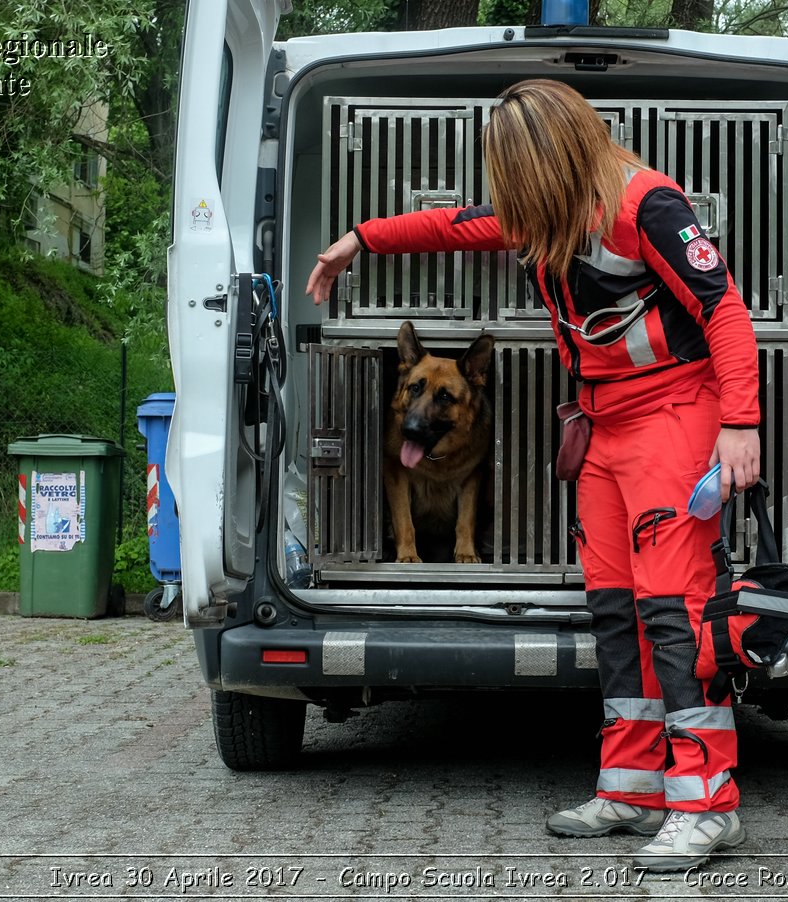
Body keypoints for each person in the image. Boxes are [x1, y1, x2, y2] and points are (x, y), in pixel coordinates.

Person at [306, 79, 761, 872]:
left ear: (551, 160)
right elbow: (449, 226)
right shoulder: (541, 214)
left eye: (514, 172)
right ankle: (631, 786)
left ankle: (707, 801)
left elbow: (723, 307)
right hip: (604, 425)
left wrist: (740, 425)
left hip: (673, 418)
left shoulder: (645, 205)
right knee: (617, 611)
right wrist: (361, 238)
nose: (504, 196)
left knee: (677, 613)